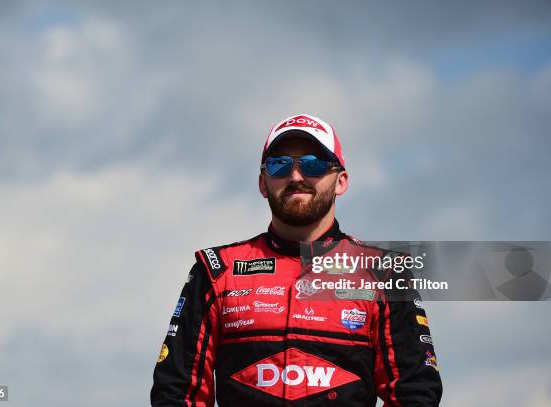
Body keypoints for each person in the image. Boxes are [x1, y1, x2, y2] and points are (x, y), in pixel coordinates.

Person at [150, 114, 442, 406]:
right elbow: (176, 392)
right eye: (280, 165)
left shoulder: (384, 272)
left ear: (341, 181)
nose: (296, 177)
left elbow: (415, 393)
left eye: (313, 164)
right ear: (263, 183)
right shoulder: (216, 270)